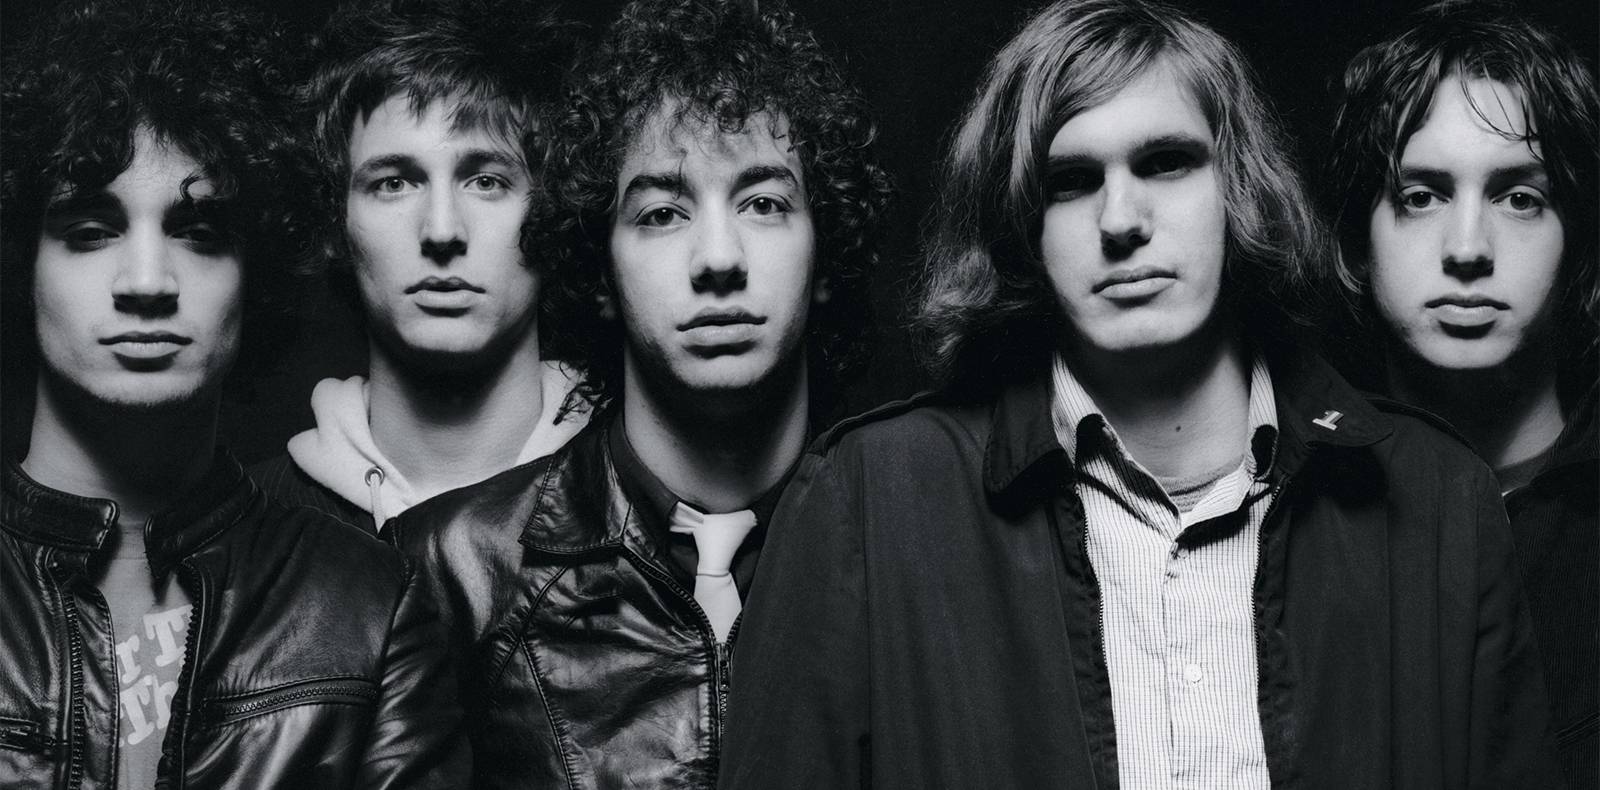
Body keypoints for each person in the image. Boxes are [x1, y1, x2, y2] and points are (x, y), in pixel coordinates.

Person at [721, 0, 1559, 787]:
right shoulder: (868, 500)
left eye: (1165, 163)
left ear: (1239, 189)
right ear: (1021, 224)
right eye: (1071, 181)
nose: (1122, 220)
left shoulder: (1439, 500)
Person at [386, 0, 890, 785]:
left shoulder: (917, 551)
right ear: (601, 267)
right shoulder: (453, 571)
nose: (718, 259)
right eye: (661, 213)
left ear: (825, 249)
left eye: (763, 203)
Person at [0, 1, 466, 787]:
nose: (147, 282)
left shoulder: (368, 606)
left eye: (199, 234)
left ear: (258, 278)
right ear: (21, 267)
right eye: (90, 232)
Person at [1325, 3, 1598, 784]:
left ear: (1579, 239)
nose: (1469, 249)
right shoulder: (1289, 515)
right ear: (1357, 241)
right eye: (1421, 195)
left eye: (1520, 197)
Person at [250, 0, 586, 533]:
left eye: (487, 181)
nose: (442, 231)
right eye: (393, 183)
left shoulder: (653, 501)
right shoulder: (249, 535)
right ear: (336, 222)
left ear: (554, 211)